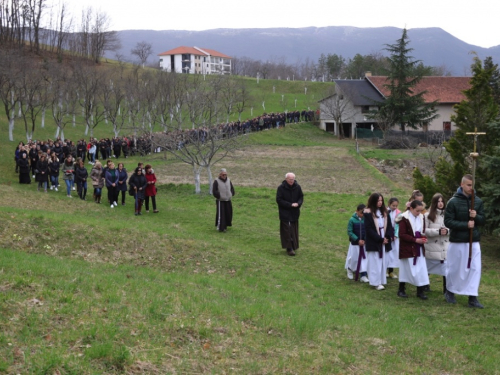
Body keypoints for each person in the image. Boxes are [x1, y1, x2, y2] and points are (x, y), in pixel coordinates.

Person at [444, 174, 485, 308]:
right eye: (468, 185)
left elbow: (483, 221)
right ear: (462, 185)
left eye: (472, 185)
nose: (470, 188)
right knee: (455, 268)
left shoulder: (477, 201)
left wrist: (476, 216)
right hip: (458, 241)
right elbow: (448, 222)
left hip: (473, 241)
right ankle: (450, 291)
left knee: (475, 268)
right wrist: (465, 224)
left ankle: (472, 297)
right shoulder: (453, 202)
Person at [395, 200, 429, 299]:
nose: (419, 213)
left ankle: (420, 291)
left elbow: (422, 230)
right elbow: (402, 234)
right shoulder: (404, 218)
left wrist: (423, 238)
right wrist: (415, 240)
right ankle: (401, 289)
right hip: (408, 247)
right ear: (411, 208)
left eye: (420, 210)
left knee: (421, 269)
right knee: (406, 269)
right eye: (417, 210)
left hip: (419, 247)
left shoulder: (421, 217)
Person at [364, 193, 393, 290]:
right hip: (375, 240)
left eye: (381, 200)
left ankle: (380, 280)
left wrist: (387, 237)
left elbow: (389, 226)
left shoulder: (385, 212)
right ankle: (375, 282)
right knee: (374, 261)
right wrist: (379, 239)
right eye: (378, 201)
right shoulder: (368, 213)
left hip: (384, 238)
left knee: (383, 261)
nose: (380, 203)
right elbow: (369, 229)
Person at [424, 193, 449, 294]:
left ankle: (446, 289)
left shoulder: (448, 215)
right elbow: (424, 231)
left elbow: (453, 228)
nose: (440, 203)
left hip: (444, 246)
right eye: (438, 201)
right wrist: (437, 232)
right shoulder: (427, 215)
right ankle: (425, 285)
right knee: (427, 268)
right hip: (432, 247)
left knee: (446, 269)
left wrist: (447, 231)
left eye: (442, 201)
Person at [276, 172, 304, 256]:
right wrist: (290, 205)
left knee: (293, 230)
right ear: (286, 179)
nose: (292, 181)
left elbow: (301, 197)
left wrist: (298, 204)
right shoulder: (281, 188)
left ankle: (294, 245)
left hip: (294, 213)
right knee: (287, 230)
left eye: (293, 179)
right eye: (290, 179)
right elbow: (279, 200)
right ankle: (289, 248)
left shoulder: (297, 187)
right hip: (285, 213)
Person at [345, 204, 369, 282]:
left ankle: (363, 275)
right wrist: (357, 240)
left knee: (364, 259)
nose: (362, 214)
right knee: (354, 258)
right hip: (355, 243)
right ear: (357, 211)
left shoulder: (366, 219)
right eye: (361, 212)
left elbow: (367, 230)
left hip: (364, 244)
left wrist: (364, 239)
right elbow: (350, 231)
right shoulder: (352, 220)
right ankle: (350, 269)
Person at [386, 197, 401, 279]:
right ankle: (384, 270)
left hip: (394, 236)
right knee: (386, 253)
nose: (394, 207)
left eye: (396, 206)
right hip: (386, 235)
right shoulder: (385, 211)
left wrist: (395, 235)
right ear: (389, 204)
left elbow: (398, 225)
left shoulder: (398, 213)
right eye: (393, 205)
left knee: (393, 254)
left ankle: (390, 271)